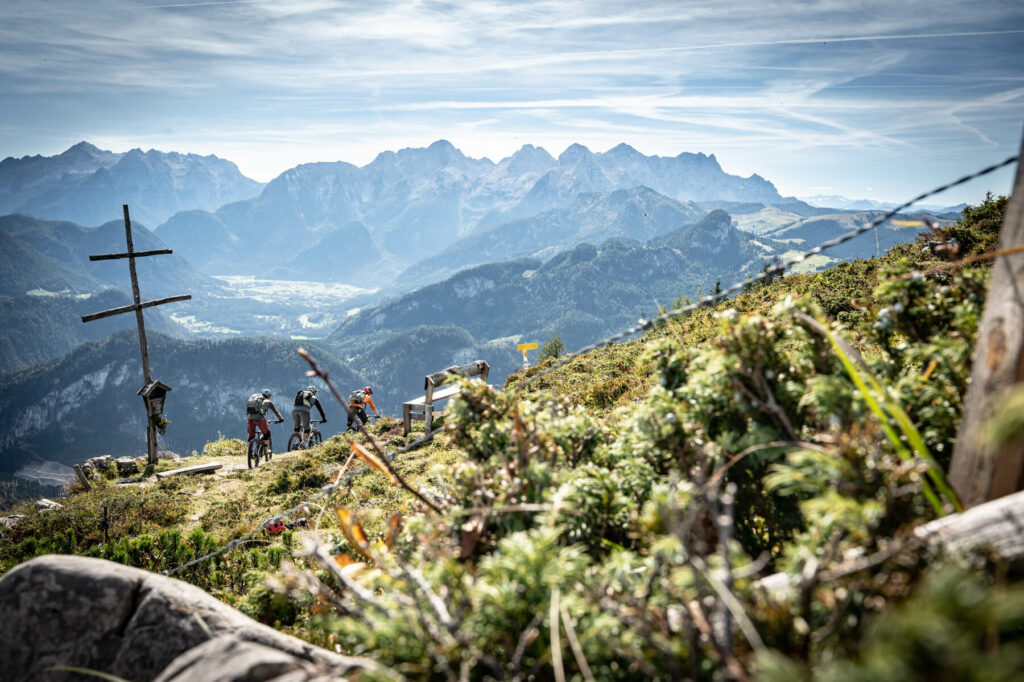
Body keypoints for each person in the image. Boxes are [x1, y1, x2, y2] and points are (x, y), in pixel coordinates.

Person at [246, 388, 284, 454]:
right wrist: (281, 419)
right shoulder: (268, 402)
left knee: (251, 435)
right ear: (269, 396)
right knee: (267, 433)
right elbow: (276, 412)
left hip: (249, 417)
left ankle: (249, 451)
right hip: (259, 418)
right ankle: (266, 450)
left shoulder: (255, 398)